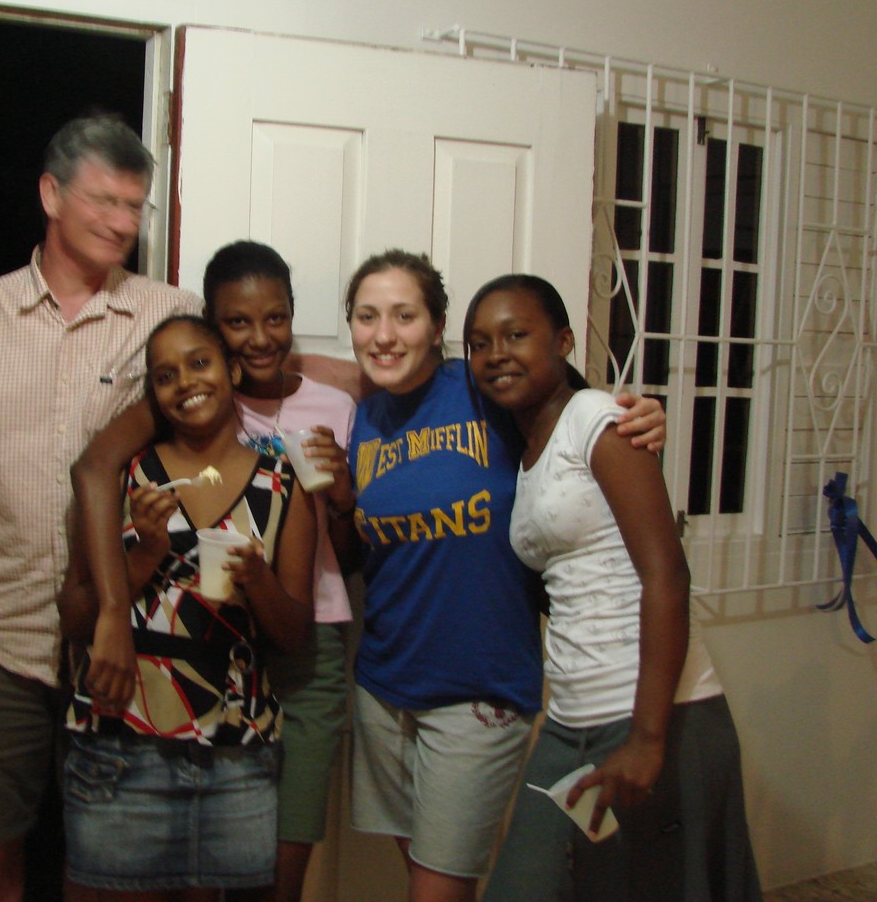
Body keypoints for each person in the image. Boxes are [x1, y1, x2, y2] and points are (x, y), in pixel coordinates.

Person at [0, 114, 202, 902]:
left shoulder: (168, 315)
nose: (122, 224)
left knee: (111, 856)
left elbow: (244, 382)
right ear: (51, 195)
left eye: (134, 206)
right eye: (104, 201)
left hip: (125, 627)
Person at [339, 250, 666, 902]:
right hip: (383, 685)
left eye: (404, 315)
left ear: (438, 327)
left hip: (479, 689)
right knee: (427, 873)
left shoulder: (482, 387)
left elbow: (573, 412)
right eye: (366, 316)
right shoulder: (366, 417)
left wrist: (638, 416)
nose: (384, 334)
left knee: (437, 887)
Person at [68, 241, 359, 902]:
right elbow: (93, 472)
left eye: (275, 318)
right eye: (237, 323)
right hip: (160, 697)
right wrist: (125, 588)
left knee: (264, 871)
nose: (259, 338)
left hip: (273, 680)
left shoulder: (316, 431)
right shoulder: (159, 430)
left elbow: (338, 570)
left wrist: (339, 499)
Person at [464, 274, 762, 902]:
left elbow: (666, 575)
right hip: (570, 721)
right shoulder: (528, 449)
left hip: (657, 715)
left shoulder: (595, 417)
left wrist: (648, 740)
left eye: (516, 335)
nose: (496, 354)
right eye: (479, 343)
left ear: (563, 340)